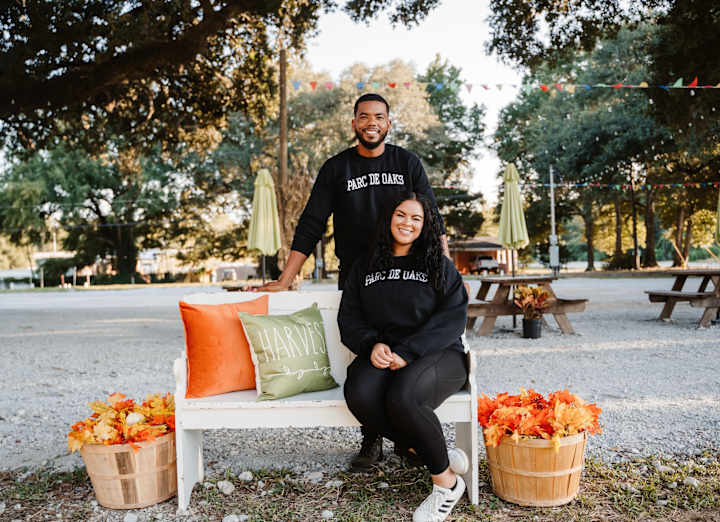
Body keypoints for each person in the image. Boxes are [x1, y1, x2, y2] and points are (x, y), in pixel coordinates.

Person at [260, 93, 448, 470]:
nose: (371, 123)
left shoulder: (407, 162)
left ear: (388, 123)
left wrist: (443, 271)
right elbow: (311, 224)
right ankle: (373, 437)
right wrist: (285, 279)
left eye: (379, 117)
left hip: (406, 271)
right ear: (354, 124)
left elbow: (431, 217)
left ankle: (407, 426)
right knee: (365, 351)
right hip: (359, 274)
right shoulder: (336, 168)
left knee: (406, 348)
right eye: (364, 117)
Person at [337, 191, 469, 522]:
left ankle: (446, 483)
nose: (407, 223)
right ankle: (432, 452)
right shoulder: (365, 265)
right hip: (384, 353)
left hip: (439, 354)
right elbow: (349, 317)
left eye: (416, 218)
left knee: (404, 396)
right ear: (388, 218)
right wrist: (370, 345)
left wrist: (408, 352)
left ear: (425, 226)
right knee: (359, 393)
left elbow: (452, 319)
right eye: (401, 214)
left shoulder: (438, 264)